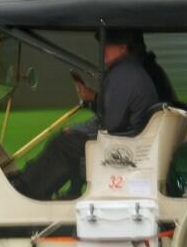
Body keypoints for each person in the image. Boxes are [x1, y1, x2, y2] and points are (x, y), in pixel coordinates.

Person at [11, 29, 159, 200]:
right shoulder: (129, 71)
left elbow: (112, 124)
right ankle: (42, 184)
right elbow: (114, 116)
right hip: (129, 140)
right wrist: (92, 102)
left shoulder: (124, 73)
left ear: (123, 48)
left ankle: (27, 190)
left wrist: (81, 132)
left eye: (108, 45)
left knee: (63, 143)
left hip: (123, 146)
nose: (103, 49)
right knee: (69, 138)